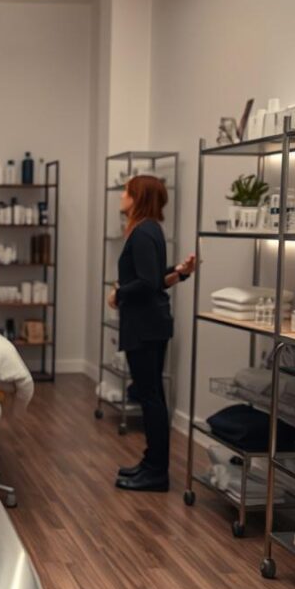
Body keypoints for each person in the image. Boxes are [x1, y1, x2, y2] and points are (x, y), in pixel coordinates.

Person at [107, 175, 196, 492]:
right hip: (152, 324)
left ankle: (157, 472)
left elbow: (145, 283)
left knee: (150, 398)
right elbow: (156, 278)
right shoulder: (151, 229)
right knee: (151, 395)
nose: (121, 196)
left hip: (145, 326)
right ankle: (150, 463)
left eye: (126, 191)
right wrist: (180, 274)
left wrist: (119, 294)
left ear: (137, 196)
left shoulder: (143, 231)